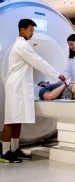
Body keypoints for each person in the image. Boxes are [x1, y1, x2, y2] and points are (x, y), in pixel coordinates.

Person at [1, 19, 65, 163]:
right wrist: (56, 74)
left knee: (18, 120)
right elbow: (38, 61)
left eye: (33, 31)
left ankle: (14, 150)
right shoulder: (22, 45)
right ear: (22, 30)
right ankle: (4, 153)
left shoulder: (24, 45)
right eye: (30, 30)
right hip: (15, 87)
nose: (32, 33)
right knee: (11, 120)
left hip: (20, 87)